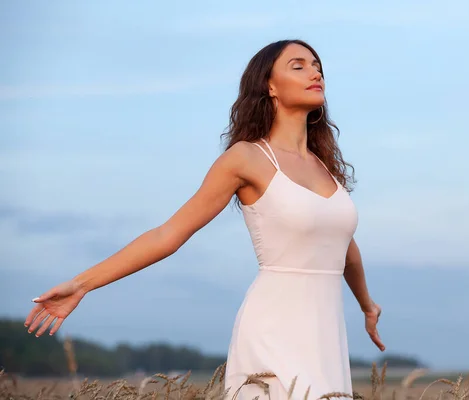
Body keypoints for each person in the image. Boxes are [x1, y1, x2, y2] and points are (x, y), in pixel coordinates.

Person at [24, 39, 384, 399]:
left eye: (317, 64)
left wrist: (366, 304)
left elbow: (342, 245)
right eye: (298, 65)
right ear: (269, 86)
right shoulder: (246, 159)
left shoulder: (325, 169)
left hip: (327, 336)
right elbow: (169, 233)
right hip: (274, 331)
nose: (315, 71)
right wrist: (83, 284)